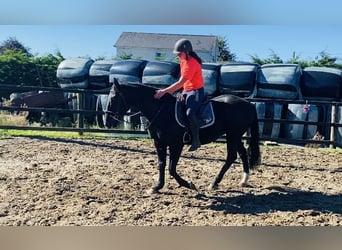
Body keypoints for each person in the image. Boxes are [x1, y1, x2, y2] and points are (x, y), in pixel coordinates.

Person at [154, 38, 205, 151]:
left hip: (196, 91)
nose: (178, 56)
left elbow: (181, 82)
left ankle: (196, 140)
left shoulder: (191, 63)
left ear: (187, 52)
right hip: (186, 90)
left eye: (179, 54)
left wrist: (164, 91)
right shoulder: (183, 61)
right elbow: (182, 82)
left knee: (190, 113)